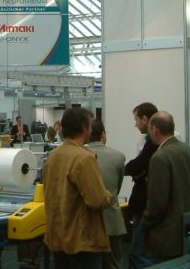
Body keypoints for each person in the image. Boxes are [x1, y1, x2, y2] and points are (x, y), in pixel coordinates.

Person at [43, 107, 112, 269]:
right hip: (81, 241)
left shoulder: (53, 157)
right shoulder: (84, 158)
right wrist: (108, 196)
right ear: (84, 127)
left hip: (57, 237)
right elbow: (97, 200)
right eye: (90, 125)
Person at [141, 111, 190, 264]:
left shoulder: (159, 157)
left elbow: (157, 203)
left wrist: (144, 223)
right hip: (187, 229)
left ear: (155, 130)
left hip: (165, 236)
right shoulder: (188, 151)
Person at [86, 120, 126, 269]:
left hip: (87, 225)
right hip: (112, 223)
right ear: (103, 135)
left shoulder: (78, 155)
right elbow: (117, 189)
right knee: (113, 264)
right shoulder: (118, 157)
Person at [124, 102, 158, 269]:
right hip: (149, 205)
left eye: (136, 120)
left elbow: (138, 165)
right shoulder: (151, 142)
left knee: (138, 254)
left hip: (145, 204)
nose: (135, 124)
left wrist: (129, 170)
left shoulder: (152, 143)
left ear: (145, 119)